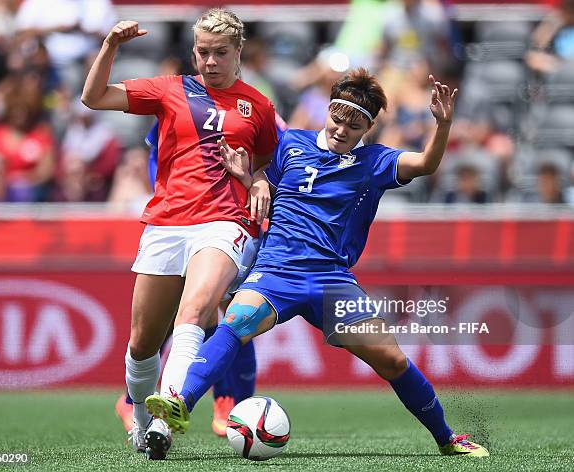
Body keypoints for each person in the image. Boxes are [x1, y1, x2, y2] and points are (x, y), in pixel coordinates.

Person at [145, 68, 489, 457]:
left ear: (368, 128)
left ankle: (447, 438)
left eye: (354, 125)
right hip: (276, 272)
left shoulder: (375, 162)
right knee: (236, 322)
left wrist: (441, 125)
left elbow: (426, 163)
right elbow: (264, 180)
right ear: (328, 111)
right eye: (338, 118)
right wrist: (251, 179)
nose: (342, 129)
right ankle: (178, 405)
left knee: (392, 360)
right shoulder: (291, 143)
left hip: (330, 280)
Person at [81, 9, 278, 460]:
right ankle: (144, 423)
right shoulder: (170, 90)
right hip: (167, 224)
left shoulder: (259, 106)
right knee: (141, 344)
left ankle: (171, 412)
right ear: (194, 51)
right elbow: (93, 97)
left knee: (194, 311)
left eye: (220, 53)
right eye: (203, 52)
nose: (210, 61)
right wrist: (111, 44)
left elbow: (266, 164)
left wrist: (261, 181)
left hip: (226, 221)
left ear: (238, 52)